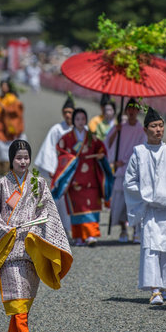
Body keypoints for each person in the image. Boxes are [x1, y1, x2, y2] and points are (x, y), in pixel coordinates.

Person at [0, 140, 73, 332]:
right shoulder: (0, 185)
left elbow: (47, 210)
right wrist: (4, 229)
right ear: (11, 160)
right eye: (19, 158)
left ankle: (15, 328)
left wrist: (36, 229)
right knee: (16, 287)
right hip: (8, 244)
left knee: (26, 289)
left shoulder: (38, 183)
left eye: (26, 157)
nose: (23, 161)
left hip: (30, 243)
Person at [124, 107, 166, 304]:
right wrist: (147, 195)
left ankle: (164, 285)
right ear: (145, 130)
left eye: (161, 126)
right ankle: (154, 289)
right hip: (150, 209)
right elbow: (130, 181)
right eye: (154, 126)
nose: (158, 130)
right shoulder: (139, 152)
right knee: (151, 248)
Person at [51, 108, 114, 247]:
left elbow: (101, 149)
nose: (80, 122)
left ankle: (91, 235)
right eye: (78, 119)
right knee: (78, 208)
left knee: (92, 207)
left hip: (91, 178)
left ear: (86, 121)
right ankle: (79, 236)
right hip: (74, 179)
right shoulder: (66, 138)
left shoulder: (92, 137)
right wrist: (70, 159)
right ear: (73, 121)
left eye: (83, 119)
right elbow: (60, 151)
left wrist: (100, 156)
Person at [105, 98, 147, 243]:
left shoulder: (142, 130)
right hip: (120, 171)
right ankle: (123, 229)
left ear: (138, 111)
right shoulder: (119, 127)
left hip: (134, 172)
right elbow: (108, 144)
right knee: (119, 202)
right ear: (126, 110)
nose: (132, 111)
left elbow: (142, 152)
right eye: (129, 108)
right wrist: (115, 133)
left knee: (135, 202)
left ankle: (136, 230)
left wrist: (124, 161)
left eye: (135, 108)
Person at [34, 95, 75, 235]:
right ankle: (61, 229)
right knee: (61, 200)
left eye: (70, 112)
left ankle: (78, 230)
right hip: (61, 170)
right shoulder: (57, 129)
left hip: (77, 170)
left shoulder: (82, 129)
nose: (68, 115)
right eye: (66, 112)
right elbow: (49, 149)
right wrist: (52, 169)